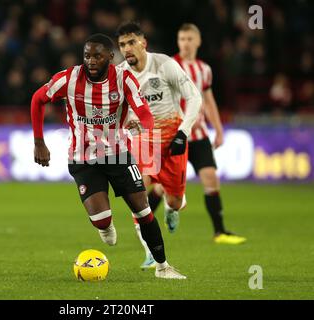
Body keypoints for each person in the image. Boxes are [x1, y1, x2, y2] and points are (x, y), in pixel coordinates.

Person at [31, 33, 186, 279]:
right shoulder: (69, 78)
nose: (90, 61)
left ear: (110, 58)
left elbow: (144, 112)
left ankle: (163, 267)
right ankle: (105, 225)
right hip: (83, 160)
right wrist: (39, 141)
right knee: (102, 221)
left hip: (118, 156)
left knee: (143, 210)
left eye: (97, 56)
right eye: (87, 56)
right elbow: (38, 99)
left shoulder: (124, 79)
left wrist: (143, 125)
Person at [148, 23, 247, 248]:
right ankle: (145, 224)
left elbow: (208, 100)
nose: (185, 43)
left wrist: (219, 130)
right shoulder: (167, 65)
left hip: (199, 135)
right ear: (177, 41)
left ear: (198, 41)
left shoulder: (205, 70)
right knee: (162, 187)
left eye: (189, 38)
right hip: (174, 136)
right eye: (182, 39)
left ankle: (220, 232)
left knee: (211, 179)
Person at [116, 22, 202, 269]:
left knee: (174, 200)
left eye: (131, 42)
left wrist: (183, 133)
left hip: (173, 136)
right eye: (122, 45)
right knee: (138, 193)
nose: (127, 48)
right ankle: (151, 253)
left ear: (143, 42)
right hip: (144, 139)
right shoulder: (120, 74)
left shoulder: (165, 65)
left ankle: (171, 206)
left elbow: (194, 97)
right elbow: (118, 110)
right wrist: (125, 126)